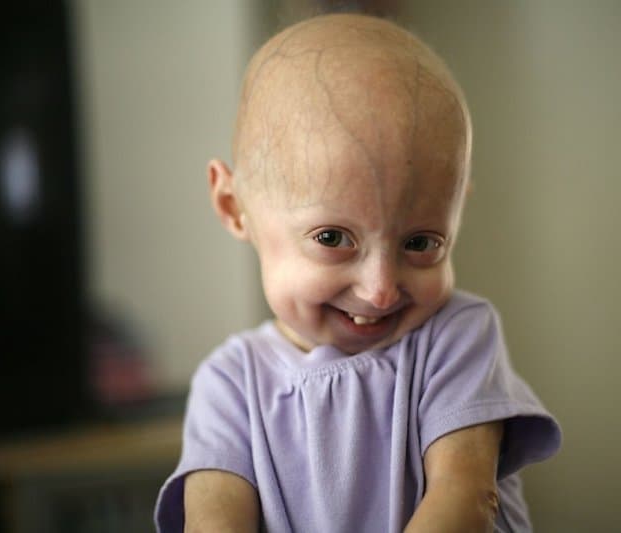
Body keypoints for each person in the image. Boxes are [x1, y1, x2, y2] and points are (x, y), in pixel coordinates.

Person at [155, 12, 561, 533]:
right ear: (235, 207)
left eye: (421, 243)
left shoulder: (456, 337)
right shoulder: (229, 385)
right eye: (332, 238)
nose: (380, 289)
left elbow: (464, 498)